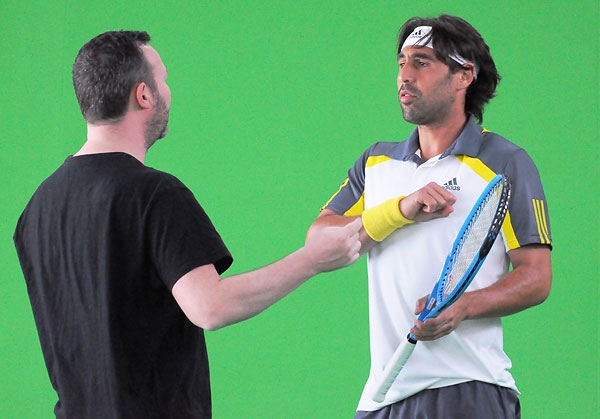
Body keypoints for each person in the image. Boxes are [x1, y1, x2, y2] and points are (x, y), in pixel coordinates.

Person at [13, 30, 362, 418]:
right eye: (163, 80)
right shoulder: (154, 194)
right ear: (144, 95)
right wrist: (312, 259)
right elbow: (210, 307)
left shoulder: (37, 209)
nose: (168, 91)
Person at [307, 15, 552, 418]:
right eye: (402, 62)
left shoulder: (505, 161)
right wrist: (400, 211)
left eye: (422, 62)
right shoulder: (375, 162)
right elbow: (318, 242)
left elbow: (536, 277)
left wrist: (462, 306)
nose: (405, 75)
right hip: (381, 398)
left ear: (464, 76)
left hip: (467, 390)